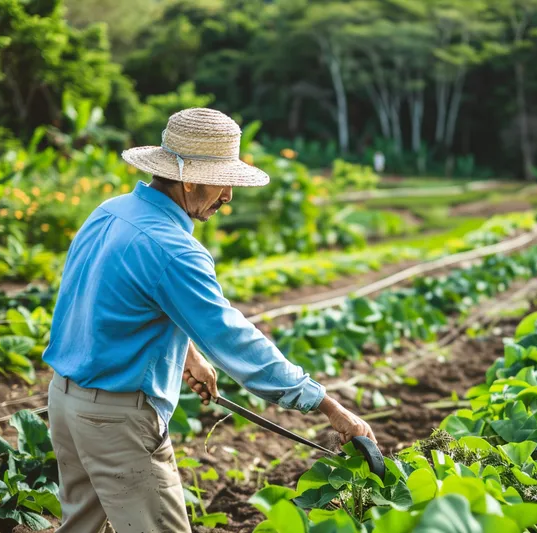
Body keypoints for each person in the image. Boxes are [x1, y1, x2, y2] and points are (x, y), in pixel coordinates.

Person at [43, 108, 376, 532]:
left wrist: (187, 354)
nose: (229, 197)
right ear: (189, 179)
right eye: (224, 182)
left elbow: (109, 304)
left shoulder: (110, 212)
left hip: (66, 402)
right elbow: (235, 341)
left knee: (81, 527)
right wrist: (327, 406)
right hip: (116, 421)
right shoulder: (174, 250)